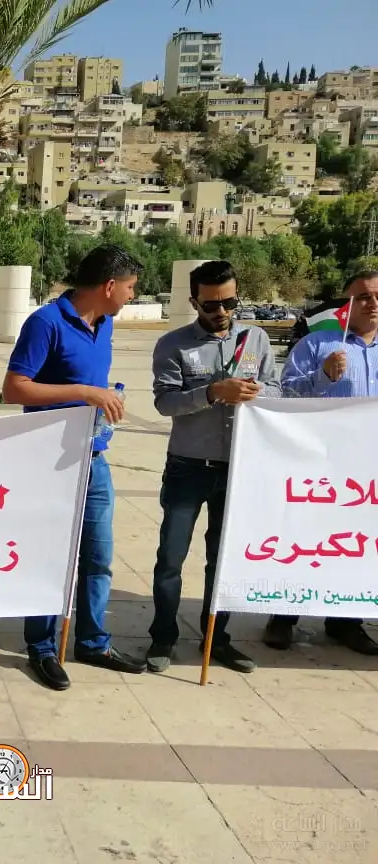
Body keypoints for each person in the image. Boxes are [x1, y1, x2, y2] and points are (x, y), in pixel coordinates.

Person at [1, 244, 147, 691]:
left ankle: (92, 641)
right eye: (130, 288)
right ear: (109, 285)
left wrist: (100, 399)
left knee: (98, 557)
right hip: (50, 462)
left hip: (94, 458)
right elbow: (14, 388)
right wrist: (85, 392)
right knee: (50, 557)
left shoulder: (105, 324)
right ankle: (42, 647)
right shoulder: (45, 322)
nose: (131, 296)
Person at [146, 260, 279, 675]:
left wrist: (258, 393)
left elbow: (277, 389)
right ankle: (163, 636)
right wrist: (212, 392)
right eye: (210, 305)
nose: (221, 311)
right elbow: (165, 402)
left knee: (221, 560)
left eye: (229, 302)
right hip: (188, 467)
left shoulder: (255, 339)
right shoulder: (174, 345)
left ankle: (215, 638)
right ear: (194, 302)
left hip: (237, 467)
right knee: (171, 557)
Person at [264, 270, 378, 655]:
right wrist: (324, 376)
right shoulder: (317, 345)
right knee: (306, 542)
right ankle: (283, 617)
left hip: (368, 474)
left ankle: (346, 622)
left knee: (358, 545)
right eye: (364, 296)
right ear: (348, 303)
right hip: (320, 469)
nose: (373, 303)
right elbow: (286, 396)